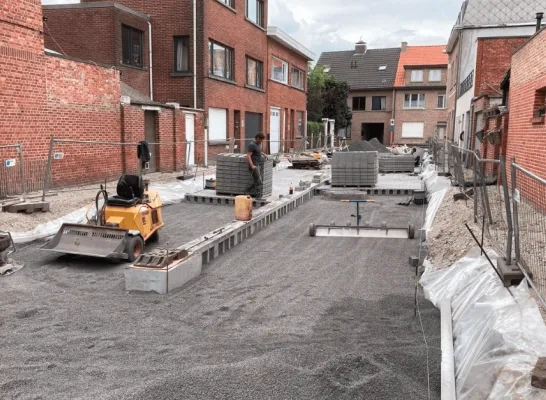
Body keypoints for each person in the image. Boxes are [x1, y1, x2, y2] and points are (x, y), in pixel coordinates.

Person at [245, 133, 268, 198]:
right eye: (261, 140)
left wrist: (264, 154)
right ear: (257, 138)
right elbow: (248, 156)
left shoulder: (258, 144)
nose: (261, 141)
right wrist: (252, 166)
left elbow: (258, 151)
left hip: (259, 164)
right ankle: (258, 197)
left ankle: (247, 191)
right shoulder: (251, 145)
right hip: (254, 165)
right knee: (259, 181)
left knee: (257, 180)